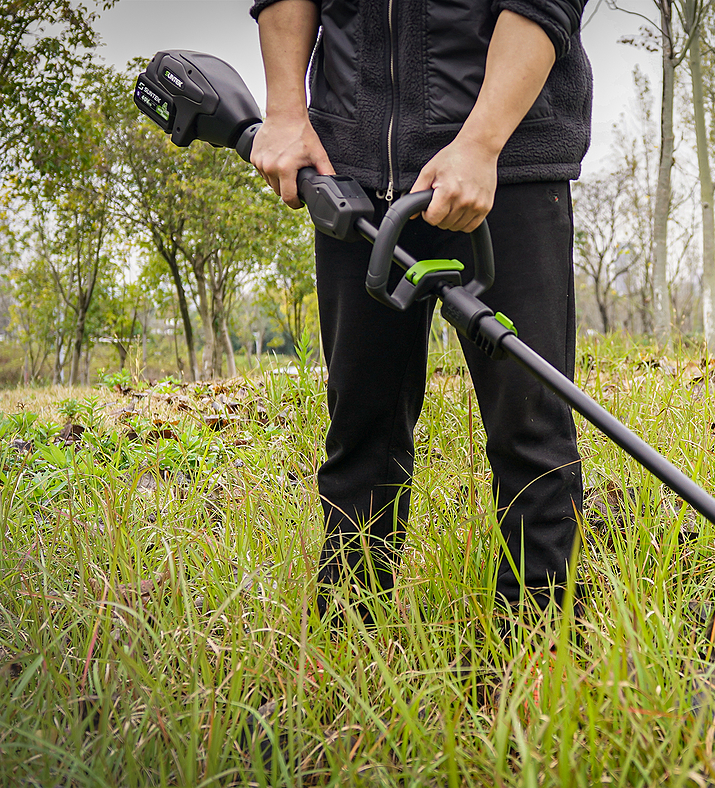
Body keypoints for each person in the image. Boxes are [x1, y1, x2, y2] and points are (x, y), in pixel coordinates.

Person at [248, 0, 591, 632]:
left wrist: (482, 141)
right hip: (352, 173)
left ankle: (544, 654)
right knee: (361, 427)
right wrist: (286, 111)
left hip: (506, 166)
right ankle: (348, 647)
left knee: (531, 428)